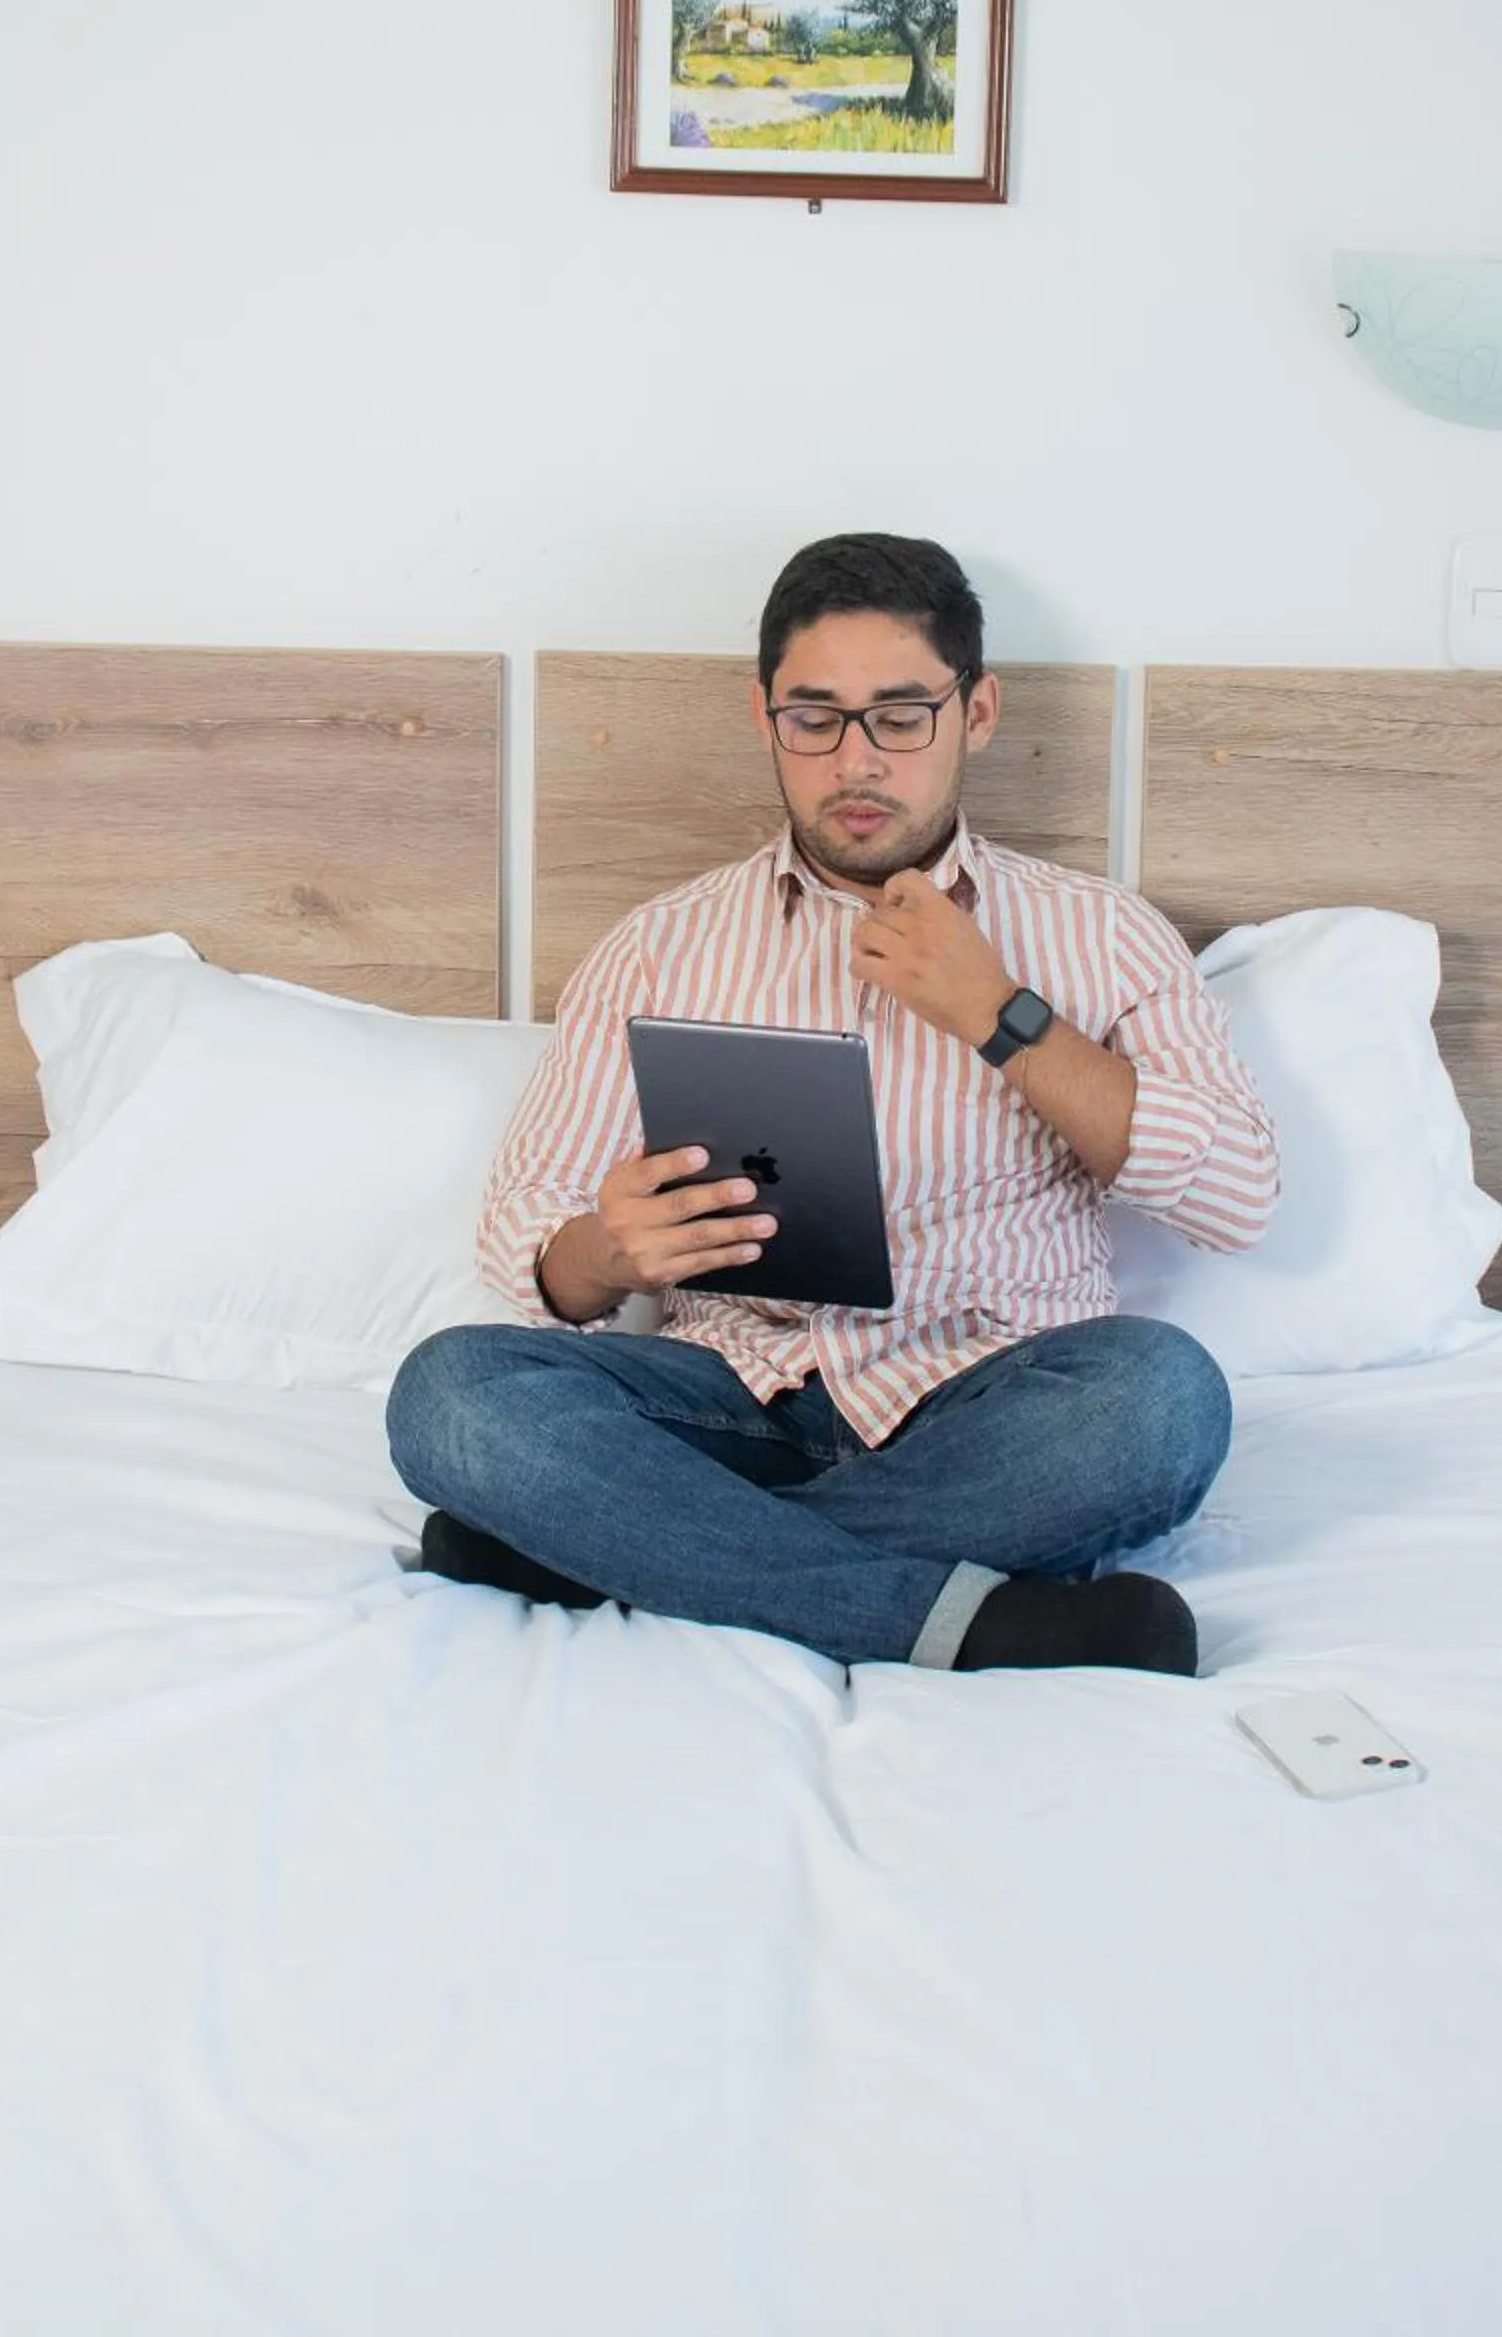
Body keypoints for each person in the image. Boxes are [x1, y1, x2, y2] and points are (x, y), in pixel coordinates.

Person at [386, 534, 1279, 1676]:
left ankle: (611, 1549)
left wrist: (999, 1014)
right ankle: (957, 1621)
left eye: (900, 717)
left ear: (977, 712)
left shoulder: (1102, 934)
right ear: (765, 719)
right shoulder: (659, 946)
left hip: (990, 1402)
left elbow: (1237, 1197)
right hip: (728, 1404)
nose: (857, 761)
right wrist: (606, 1251)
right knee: (453, 1394)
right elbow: (527, 1232)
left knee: (1161, 1400)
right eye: (815, 719)